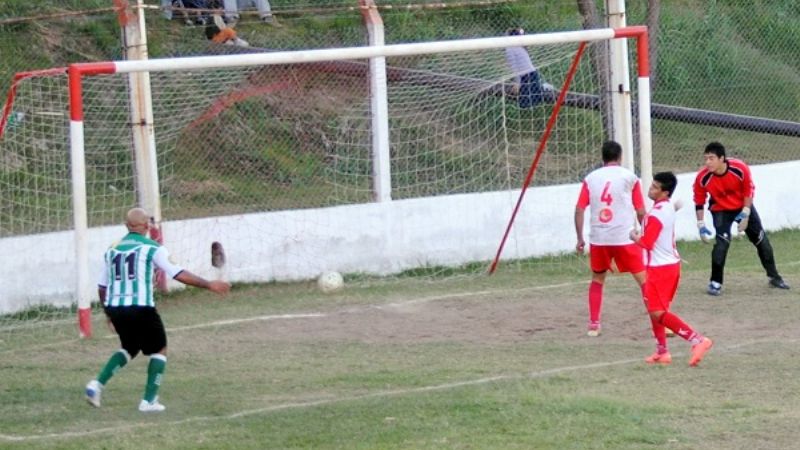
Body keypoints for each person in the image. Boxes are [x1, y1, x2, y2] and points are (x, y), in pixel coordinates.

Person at [85, 208, 230, 412]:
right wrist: (209, 284)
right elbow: (178, 273)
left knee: (130, 347)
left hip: (116, 307)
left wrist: (109, 313)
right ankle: (149, 401)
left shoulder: (112, 249)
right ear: (146, 226)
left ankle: (96, 385)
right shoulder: (153, 247)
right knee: (159, 348)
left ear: (126, 226)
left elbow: (102, 287)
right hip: (141, 306)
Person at [630, 172, 713, 366]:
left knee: (658, 312)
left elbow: (647, 243)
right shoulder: (665, 207)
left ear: (665, 192)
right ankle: (662, 351)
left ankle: (697, 340)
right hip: (668, 266)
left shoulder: (657, 214)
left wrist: (633, 236)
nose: (650, 189)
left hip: (660, 269)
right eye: (652, 185)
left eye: (655, 187)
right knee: (655, 310)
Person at [693, 141, 789, 296]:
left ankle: (774, 277)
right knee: (721, 244)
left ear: (722, 158)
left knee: (761, 240)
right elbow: (699, 200)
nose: (707, 162)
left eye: (711, 158)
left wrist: (745, 213)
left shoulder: (739, 168)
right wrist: (700, 224)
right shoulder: (702, 177)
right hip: (720, 210)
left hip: (742, 206)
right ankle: (715, 283)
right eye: (706, 158)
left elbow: (748, 190)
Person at [575, 140, 647, 337]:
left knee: (598, 279)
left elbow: (579, 209)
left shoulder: (591, 178)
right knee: (643, 279)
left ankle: (594, 324)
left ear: (603, 157)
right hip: (625, 237)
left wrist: (580, 238)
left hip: (599, 238)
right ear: (620, 157)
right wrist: (647, 234)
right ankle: (661, 320)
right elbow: (641, 211)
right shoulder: (630, 177)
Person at [504, 27, 552, 108]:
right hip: (531, 75)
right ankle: (541, 87)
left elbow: (515, 68)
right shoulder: (519, 47)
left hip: (528, 76)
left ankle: (543, 87)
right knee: (528, 100)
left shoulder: (510, 49)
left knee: (525, 103)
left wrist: (517, 83)